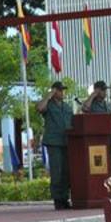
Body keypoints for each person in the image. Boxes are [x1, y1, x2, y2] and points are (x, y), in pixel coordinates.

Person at [37, 81, 74, 210]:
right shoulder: (49, 105)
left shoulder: (67, 107)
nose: (62, 92)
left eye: (63, 90)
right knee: (57, 171)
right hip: (54, 142)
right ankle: (58, 199)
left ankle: (65, 198)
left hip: (67, 142)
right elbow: (40, 108)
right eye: (59, 90)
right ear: (54, 91)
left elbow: (74, 122)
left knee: (66, 172)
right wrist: (49, 95)